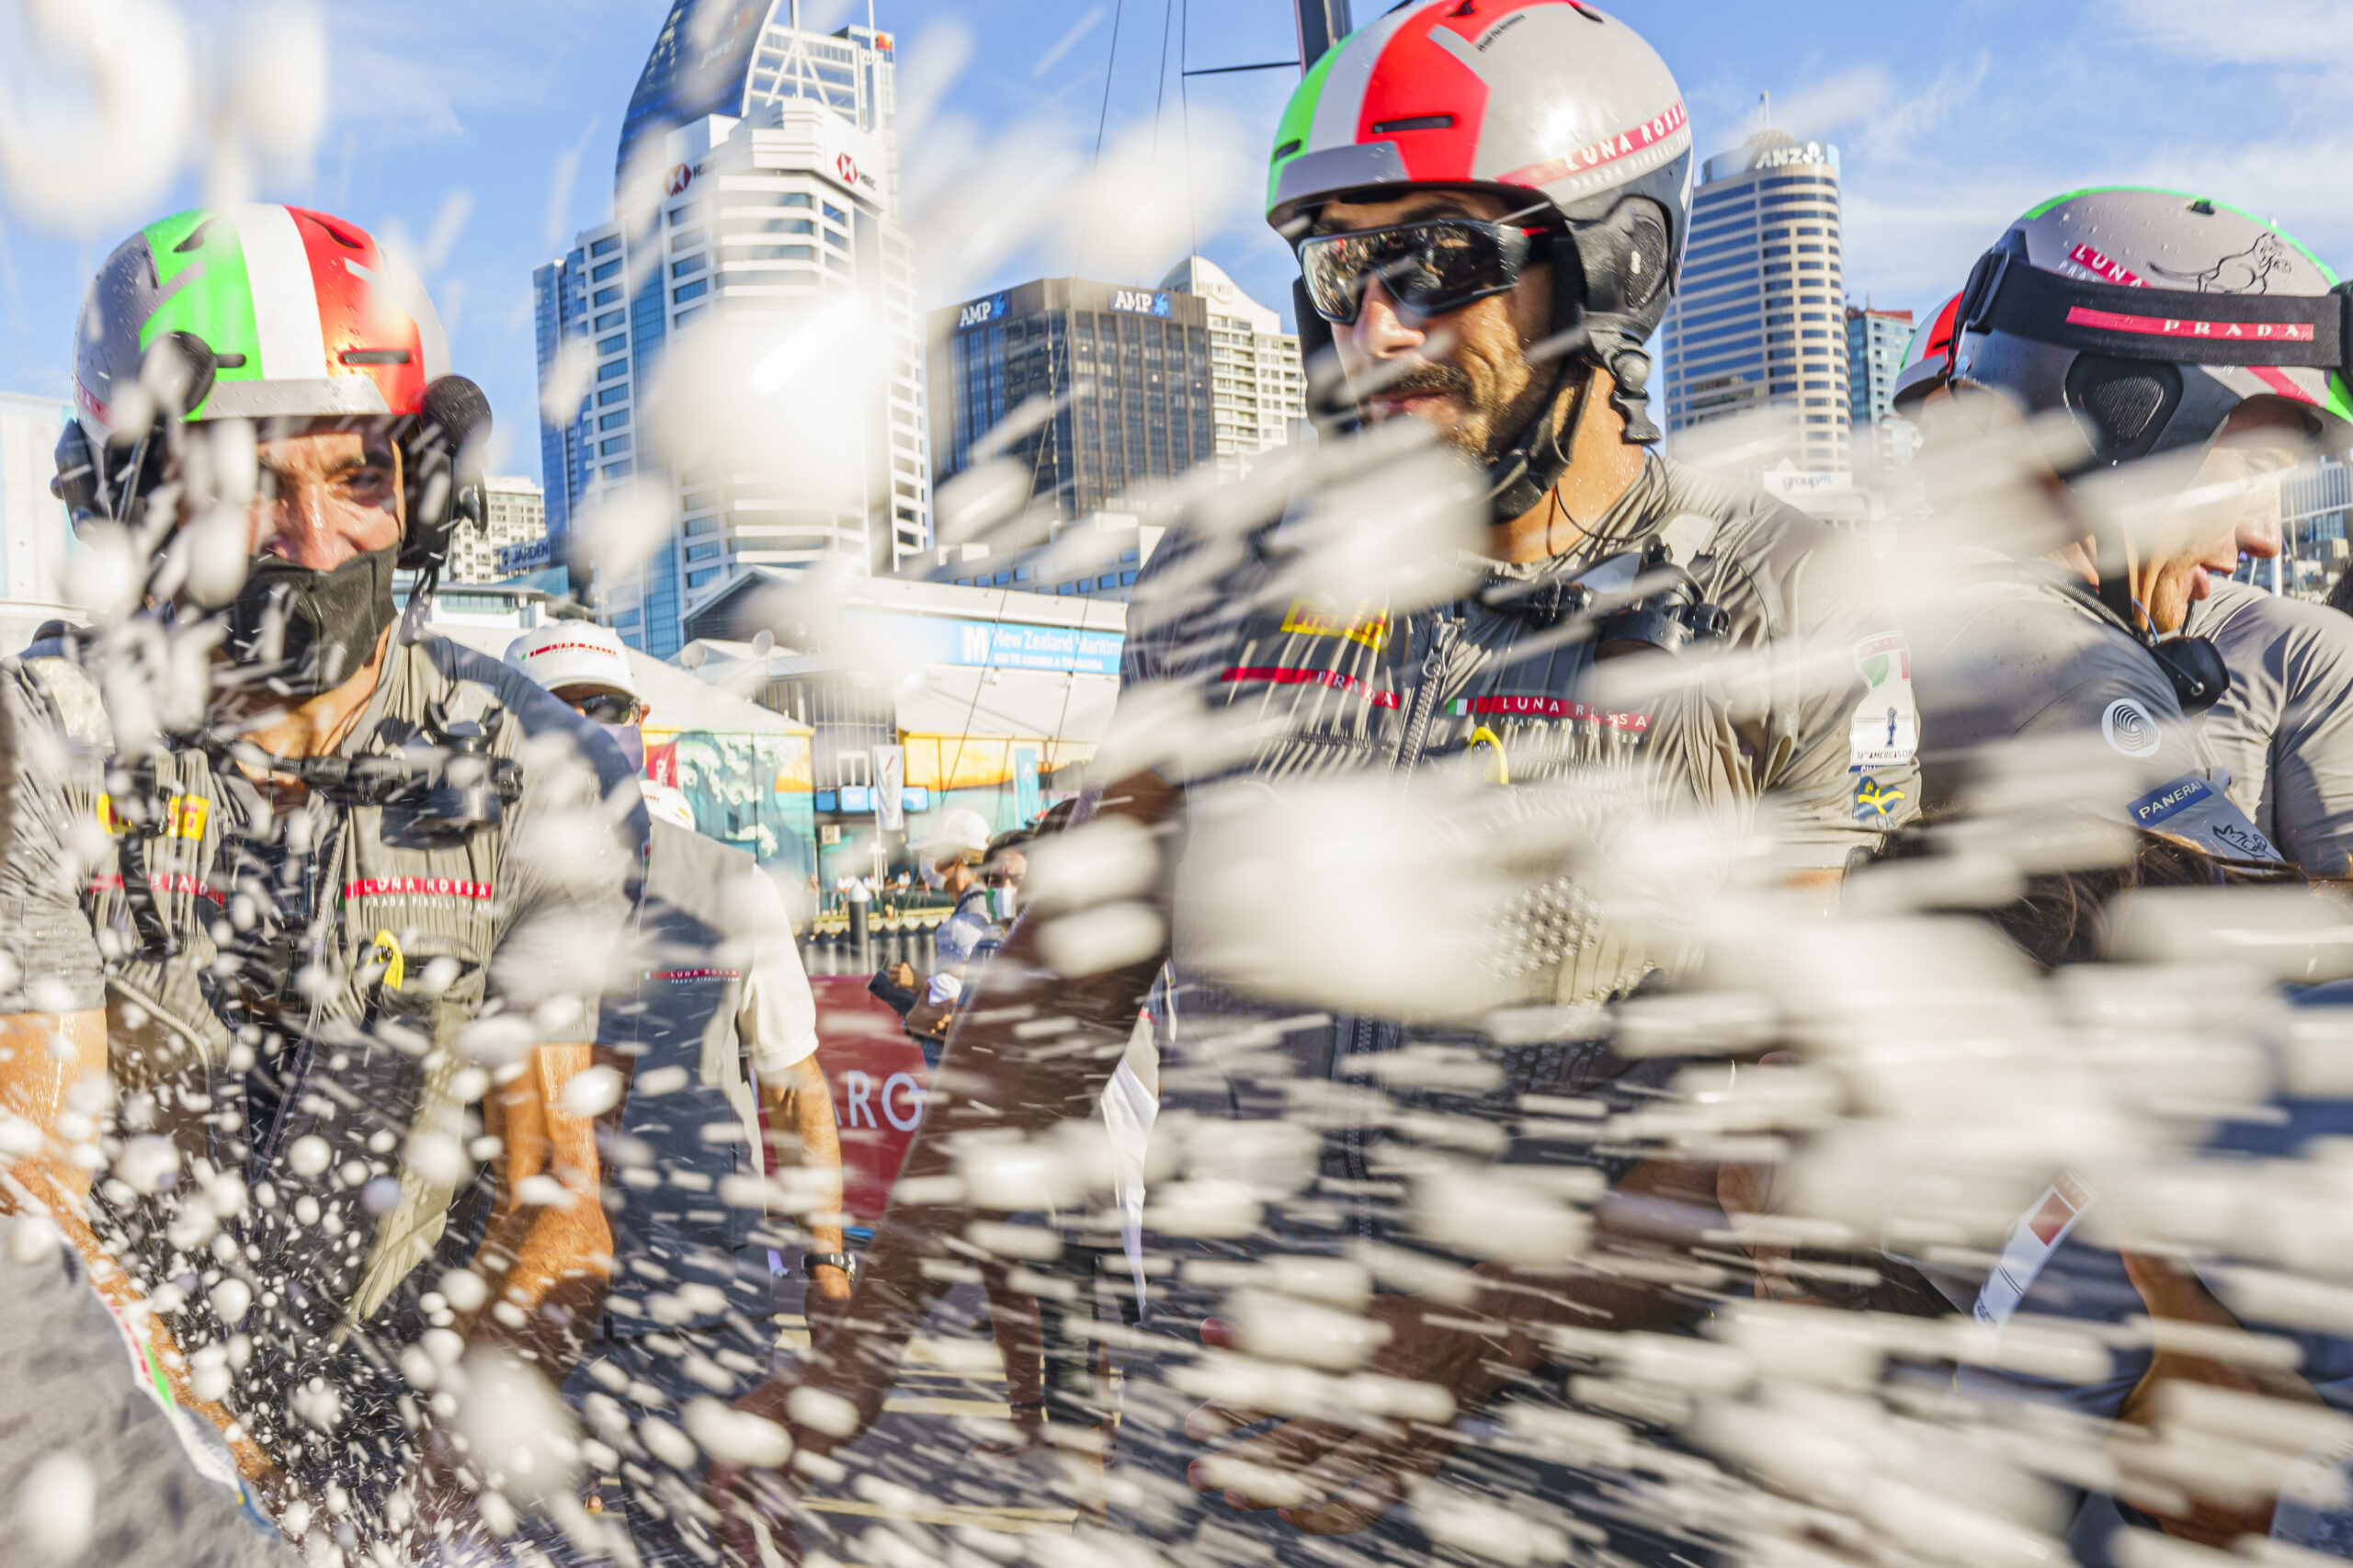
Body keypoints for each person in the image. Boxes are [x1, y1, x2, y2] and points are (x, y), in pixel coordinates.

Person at [715, 5, 1920, 1561]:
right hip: (1248, 1448)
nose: (1380, 329)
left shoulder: (1787, 594)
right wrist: (859, 1338)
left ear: (1614, 263)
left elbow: (1795, 1081)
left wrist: (1453, 1349)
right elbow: (1065, 988)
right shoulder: (1221, 576)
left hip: (1610, 1474)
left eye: (1441, 260)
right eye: (1341, 272)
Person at [0, 204, 636, 1554]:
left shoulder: (534, 766)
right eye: (239, 484)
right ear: (129, 500)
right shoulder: (42, 740)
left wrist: (428, 1500)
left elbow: (555, 1215)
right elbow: (33, 1200)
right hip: (104, 1435)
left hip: (405, 1436)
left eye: (355, 475)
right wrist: (244, 1507)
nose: (302, 536)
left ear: (425, 491)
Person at [505, 620, 847, 1564]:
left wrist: (827, 1264)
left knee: (702, 1534)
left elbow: (795, 1088)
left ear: (640, 722)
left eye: (602, 708)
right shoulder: (474, 894)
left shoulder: (729, 884)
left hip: (698, 1290)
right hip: (537, 1290)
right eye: (546, 711)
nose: (578, 730)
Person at [1902, 188, 2345, 866]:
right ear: (2132, 423)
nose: (2267, 541)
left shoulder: (1966, 620)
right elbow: (2258, 943)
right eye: (2256, 467)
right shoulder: (2070, 674)